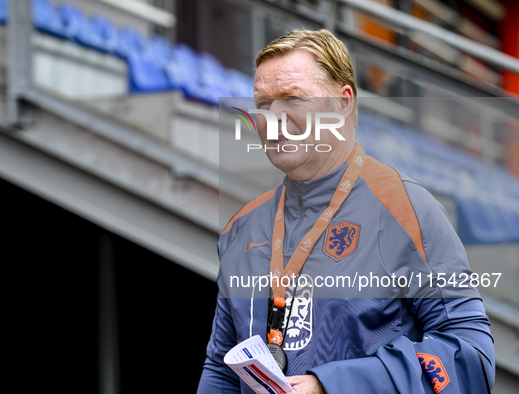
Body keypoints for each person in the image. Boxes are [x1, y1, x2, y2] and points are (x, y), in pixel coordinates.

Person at [197, 29, 495, 394]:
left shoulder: (405, 208)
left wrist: (330, 386)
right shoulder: (242, 229)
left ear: (343, 104)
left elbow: (471, 357)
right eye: (263, 104)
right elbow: (222, 370)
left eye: (293, 98)